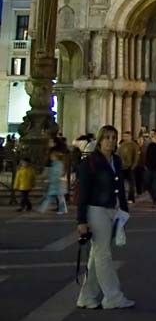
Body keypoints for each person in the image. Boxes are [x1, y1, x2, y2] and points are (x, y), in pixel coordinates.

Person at [75, 124, 134, 309]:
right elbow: (82, 193)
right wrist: (81, 221)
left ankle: (87, 296)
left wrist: (124, 210)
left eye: (114, 138)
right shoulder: (90, 162)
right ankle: (113, 296)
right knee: (103, 255)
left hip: (111, 209)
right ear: (100, 140)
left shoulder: (115, 160)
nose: (110, 141)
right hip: (95, 210)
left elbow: (119, 189)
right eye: (107, 137)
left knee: (96, 255)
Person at [37, 147, 68, 214]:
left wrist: (50, 179)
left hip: (57, 183)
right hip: (56, 183)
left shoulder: (57, 164)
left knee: (55, 197)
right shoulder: (56, 164)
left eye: (52, 156)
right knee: (57, 197)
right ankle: (43, 208)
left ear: (56, 157)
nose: (51, 157)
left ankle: (43, 208)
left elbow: (57, 174)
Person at [116, 134, 140, 203]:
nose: (125, 138)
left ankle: (131, 198)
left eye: (127, 136)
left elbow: (136, 156)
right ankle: (121, 197)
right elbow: (118, 154)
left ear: (130, 137)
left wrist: (133, 166)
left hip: (130, 167)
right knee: (120, 183)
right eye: (124, 136)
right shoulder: (122, 145)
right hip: (122, 167)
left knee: (131, 183)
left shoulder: (134, 145)